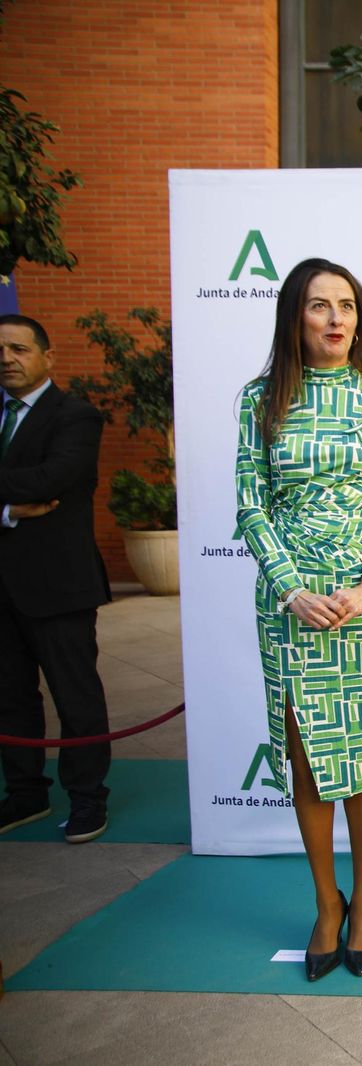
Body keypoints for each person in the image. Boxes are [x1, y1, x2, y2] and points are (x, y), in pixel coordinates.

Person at [235, 258, 362, 981]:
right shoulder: (260, 399)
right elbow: (251, 504)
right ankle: (325, 901)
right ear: (294, 318)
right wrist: (291, 589)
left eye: (346, 305)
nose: (335, 318)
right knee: (307, 752)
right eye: (319, 306)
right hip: (292, 609)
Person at [0, 313, 113, 844]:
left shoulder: (76, 416)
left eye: (20, 349)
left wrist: (28, 491)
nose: (7, 358)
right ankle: (25, 793)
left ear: (47, 357)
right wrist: (9, 507)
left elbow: (54, 479)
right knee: (9, 697)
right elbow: (29, 488)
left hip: (59, 586)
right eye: (1, 349)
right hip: (3, 591)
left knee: (76, 697)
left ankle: (88, 798)